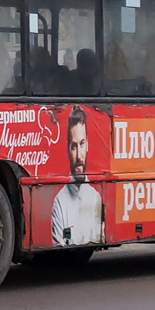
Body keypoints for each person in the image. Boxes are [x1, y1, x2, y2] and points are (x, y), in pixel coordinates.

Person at [50, 105, 104, 246]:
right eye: (74, 147)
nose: (79, 155)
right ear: (68, 149)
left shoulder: (96, 198)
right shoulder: (60, 203)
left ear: (87, 146)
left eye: (82, 144)